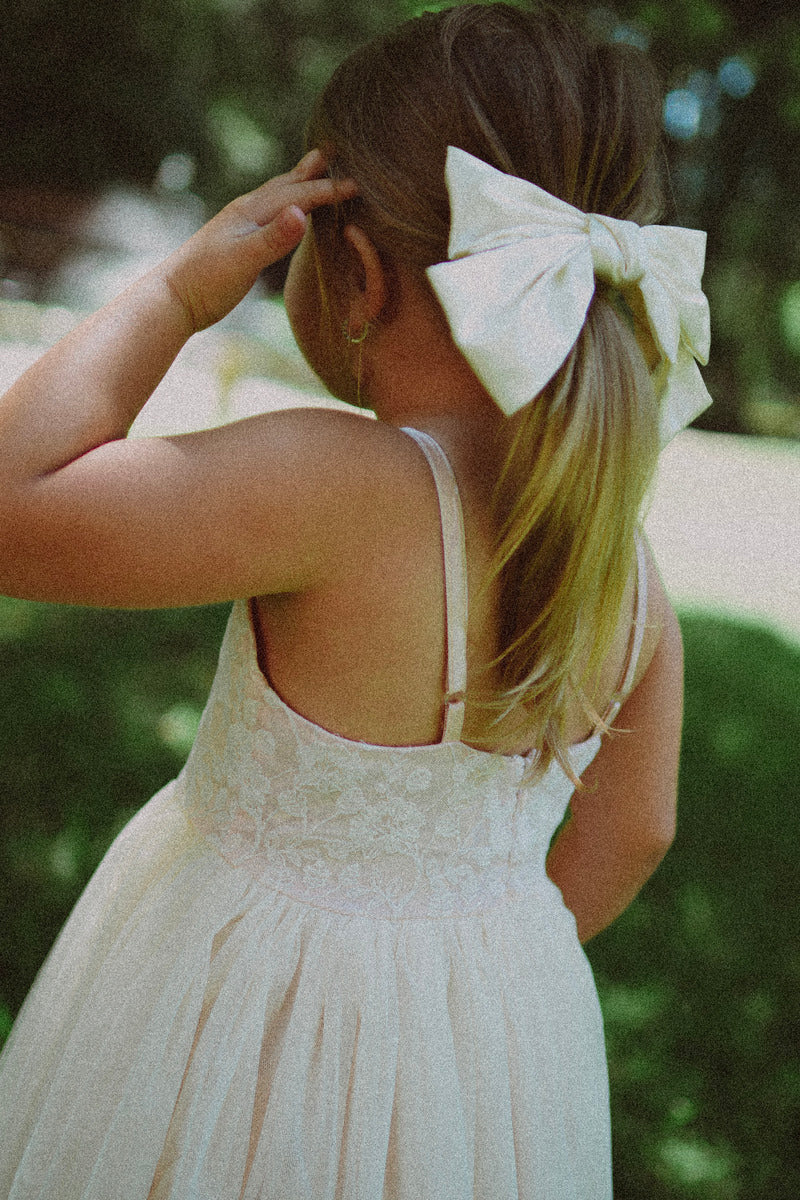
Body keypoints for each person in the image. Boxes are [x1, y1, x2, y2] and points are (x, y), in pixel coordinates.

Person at [0, 4, 710, 1197]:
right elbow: (636, 830)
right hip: (485, 1053)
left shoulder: (338, 484)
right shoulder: (620, 568)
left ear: (357, 269)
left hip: (229, 1023)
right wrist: (456, 978)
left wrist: (179, 291)